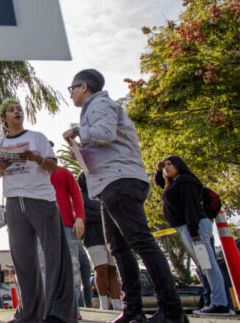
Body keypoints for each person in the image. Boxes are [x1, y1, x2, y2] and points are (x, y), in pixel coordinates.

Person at [63, 69, 187, 323]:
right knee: (118, 247)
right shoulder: (92, 109)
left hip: (120, 180)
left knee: (141, 242)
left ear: (84, 86)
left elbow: (106, 133)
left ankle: (172, 312)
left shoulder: (100, 104)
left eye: (72, 88)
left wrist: (78, 132)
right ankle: (133, 310)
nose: (71, 94)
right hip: (109, 184)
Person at [0, 98, 76, 323]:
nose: (16, 111)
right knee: (23, 260)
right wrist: (1, 166)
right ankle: (29, 313)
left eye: (19, 109)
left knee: (54, 255)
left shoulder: (36, 137)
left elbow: (53, 165)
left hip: (41, 200)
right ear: (4, 118)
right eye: (11, 110)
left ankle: (59, 313)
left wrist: (37, 158)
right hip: (14, 203)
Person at [154, 156, 233, 316]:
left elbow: (191, 207)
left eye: (170, 164)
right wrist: (158, 171)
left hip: (193, 227)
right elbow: (163, 185)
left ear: (179, 166)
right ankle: (214, 302)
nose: (167, 168)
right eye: (165, 166)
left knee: (208, 265)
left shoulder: (185, 182)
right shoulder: (176, 184)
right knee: (204, 266)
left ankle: (221, 304)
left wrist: (194, 232)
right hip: (188, 228)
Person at [77, 172, 122, 311]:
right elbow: (85, 215)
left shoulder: (100, 194)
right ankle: (103, 304)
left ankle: (116, 304)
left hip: (109, 236)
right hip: (93, 237)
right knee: (100, 268)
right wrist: (103, 215)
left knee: (112, 270)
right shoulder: (81, 197)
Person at [49, 156, 88, 309]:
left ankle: (72, 308)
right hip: (44, 228)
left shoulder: (63, 172)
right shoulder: (35, 175)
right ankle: (51, 307)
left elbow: (76, 194)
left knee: (72, 267)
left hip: (66, 225)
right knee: (47, 268)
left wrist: (79, 217)